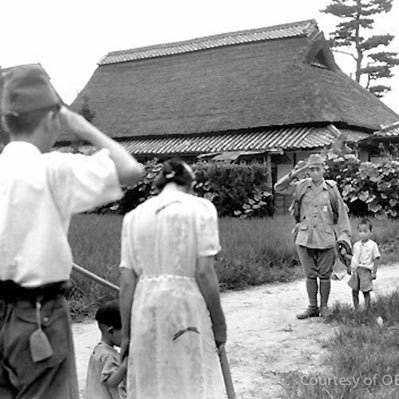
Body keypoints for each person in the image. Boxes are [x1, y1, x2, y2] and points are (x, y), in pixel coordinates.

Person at [0, 64, 143, 399]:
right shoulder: (53, 168)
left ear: (7, 122)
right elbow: (130, 169)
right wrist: (82, 126)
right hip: (39, 315)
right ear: (53, 118)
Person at [119, 158, 226, 399]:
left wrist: (126, 334)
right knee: (188, 378)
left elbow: (127, 282)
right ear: (190, 184)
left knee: (153, 380)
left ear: (157, 186)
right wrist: (219, 324)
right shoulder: (201, 209)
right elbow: (204, 272)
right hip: (185, 305)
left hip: (145, 308)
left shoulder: (133, 216)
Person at [274, 153, 351, 320]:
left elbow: (342, 214)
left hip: (326, 238)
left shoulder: (331, 189)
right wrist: (295, 173)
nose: (314, 172)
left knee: (324, 275)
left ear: (323, 169)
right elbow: (278, 188)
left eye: (317, 169)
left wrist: (344, 236)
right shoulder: (301, 185)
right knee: (309, 274)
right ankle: (312, 307)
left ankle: (324, 307)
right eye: (311, 169)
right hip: (305, 237)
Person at [86, 301, 127, 399]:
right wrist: (125, 366)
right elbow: (111, 382)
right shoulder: (108, 355)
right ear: (111, 331)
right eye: (125, 332)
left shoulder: (98, 350)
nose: (128, 337)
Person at [346, 219, 380, 310]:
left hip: (366, 270)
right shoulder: (356, 245)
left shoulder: (373, 245)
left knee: (366, 291)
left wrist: (374, 272)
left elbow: (376, 258)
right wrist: (350, 267)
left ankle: (367, 309)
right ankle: (356, 308)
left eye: (365, 231)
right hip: (357, 270)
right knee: (354, 290)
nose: (362, 234)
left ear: (370, 232)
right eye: (360, 231)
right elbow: (354, 258)